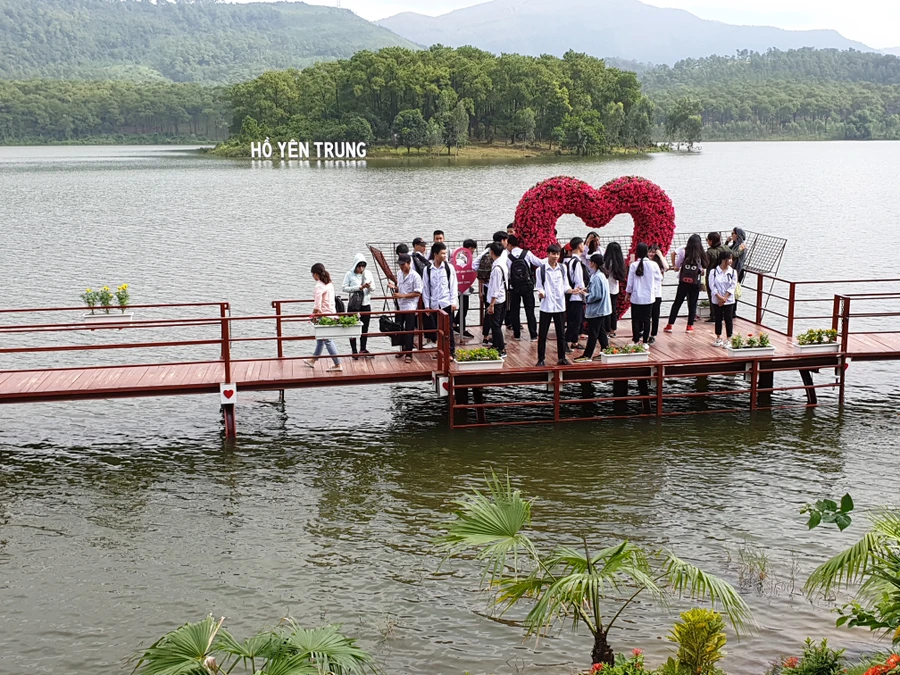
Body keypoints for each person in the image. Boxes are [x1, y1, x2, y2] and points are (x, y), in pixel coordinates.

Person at [535, 244, 574, 367]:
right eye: (553, 254)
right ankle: (541, 359)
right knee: (542, 334)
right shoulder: (540, 270)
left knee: (561, 334)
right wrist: (541, 293)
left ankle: (562, 358)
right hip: (546, 306)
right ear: (547, 254)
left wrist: (572, 291)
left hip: (560, 305)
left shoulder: (563, 268)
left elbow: (565, 285)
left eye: (557, 254)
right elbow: (539, 287)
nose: (555, 256)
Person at [664, 234, 708, 333]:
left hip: (683, 281)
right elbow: (704, 266)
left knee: (677, 303)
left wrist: (675, 266)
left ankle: (670, 325)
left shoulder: (684, 252)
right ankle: (689, 326)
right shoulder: (701, 253)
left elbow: (678, 264)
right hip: (695, 282)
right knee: (693, 303)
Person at [422, 242, 458, 359]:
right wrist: (426, 305)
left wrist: (454, 301)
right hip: (434, 304)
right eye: (442, 253)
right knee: (438, 329)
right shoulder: (427, 269)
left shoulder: (448, 268)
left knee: (449, 329)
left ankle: (451, 352)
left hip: (446, 302)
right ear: (435, 254)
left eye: (445, 253)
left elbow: (453, 285)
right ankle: (440, 351)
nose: (444, 256)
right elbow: (426, 288)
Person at [575, 254, 611, 362]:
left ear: (593, 263)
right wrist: (587, 290)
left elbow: (597, 295)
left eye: (590, 261)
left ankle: (587, 355)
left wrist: (585, 295)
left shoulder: (596, 277)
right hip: (602, 310)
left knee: (593, 333)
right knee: (601, 331)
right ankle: (605, 351)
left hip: (596, 310)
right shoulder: (600, 275)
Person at [387, 254, 423, 364]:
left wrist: (402, 295)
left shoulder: (415, 276)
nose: (402, 267)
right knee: (399, 328)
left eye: (403, 264)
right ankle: (402, 349)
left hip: (410, 306)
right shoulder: (399, 273)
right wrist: (395, 288)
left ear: (409, 263)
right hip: (400, 305)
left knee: (409, 330)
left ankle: (409, 353)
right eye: (400, 265)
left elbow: (417, 293)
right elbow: (401, 287)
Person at [505, 234, 542, 342]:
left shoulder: (508, 257)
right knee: (530, 311)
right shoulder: (527, 253)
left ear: (510, 245)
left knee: (514, 311)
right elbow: (539, 263)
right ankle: (533, 335)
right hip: (527, 286)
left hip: (514, 287)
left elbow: (507, 274)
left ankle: (517, 334)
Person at [308, 263, 342, 372]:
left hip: (324, 315)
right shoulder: (329, 284)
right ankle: (313, 360)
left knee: (327, 340)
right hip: (332, 313)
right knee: (320, 339)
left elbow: (317, 306)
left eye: (313, 274)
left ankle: (338, 364)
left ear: (316, 274)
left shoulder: (319, 286)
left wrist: (312, 316)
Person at [625, 242, 661, 345]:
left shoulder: (633, 265)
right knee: (647, 319)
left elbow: (630, 282)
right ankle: (645, 342)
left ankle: (636, 340)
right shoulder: (653, 265)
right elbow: (660, 278)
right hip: (649, 297)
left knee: (635, 320)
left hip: (636, 297)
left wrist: (628, 293)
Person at [342, 253, 375, 359]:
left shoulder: (368, 274)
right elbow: (344, 288)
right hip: (354, 305)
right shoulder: (349, 274)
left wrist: (368, 287)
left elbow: (373, 288)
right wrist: (358, 288)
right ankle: (354, 350)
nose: (361, 268)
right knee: (352, 327)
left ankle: (363, 348)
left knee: (365, 328)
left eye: (363, 266)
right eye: (359, 266)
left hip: (365, 303)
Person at [565, 237, 589, 351]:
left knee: (574, 320)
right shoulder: (577, 262)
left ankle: (574, 342)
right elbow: (579, 281)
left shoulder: (569, 261)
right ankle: (565, 342)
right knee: (576, 321)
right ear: (579, 246)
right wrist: (585, 292)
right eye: (583, 245)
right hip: (576, 295)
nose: (584, 247)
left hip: (571, 295)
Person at [710, 250, 737, 347]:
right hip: (717, 299)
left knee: (728, 319)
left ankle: (729, 338)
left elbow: (733, 286)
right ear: (722, 259)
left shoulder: (733, 272)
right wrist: (719, 298)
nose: (730, 261)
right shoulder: (713, 272)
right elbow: (712, 286)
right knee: (718, 318)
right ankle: (718, 337)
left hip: (728, 300)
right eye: (728, 259)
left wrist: (724, 298)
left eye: (731, 259)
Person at [486, 242, 508, 357]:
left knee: (495, 325)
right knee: (496, 324)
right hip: (502, 297)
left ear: (492, 252)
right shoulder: (503, 264)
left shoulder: (496, 269)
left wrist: (492, 304)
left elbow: (495, 287)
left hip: (497, 300)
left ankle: (501, 348)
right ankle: (495, 344)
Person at [454, 238, 479, 338]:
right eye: (473, 249)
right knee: (464, 306)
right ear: (469, 248)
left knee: (464, 307)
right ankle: (460, 327)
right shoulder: (461, 260)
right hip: (461, 287)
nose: (473, 252)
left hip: (465, 285)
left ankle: (457, 324)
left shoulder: (466, 259)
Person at [603, 242, 627, 338]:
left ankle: (607, 330)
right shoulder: (620, 262)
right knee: (613, 310)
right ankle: (613, 330)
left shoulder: (607, 263)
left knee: (607, 310)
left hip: (606, 288)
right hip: (615, 289)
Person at [704, 232, 729, 322]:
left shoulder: (710, 252)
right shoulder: (725, 248)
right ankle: (724, 313)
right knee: (724, 293)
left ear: (711, 241)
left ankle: (714, 315)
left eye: (708, 240)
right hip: (724, 273)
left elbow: (705, 265)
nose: (707, 241)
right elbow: (732, 256)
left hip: (712, 274)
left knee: (713, 294)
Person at [648, 244, 669, 344]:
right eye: (650, 251)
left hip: (657, 293)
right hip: (647, 293)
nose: (651, 254)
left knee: (655, 315)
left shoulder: (659, 264)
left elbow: (666, 267)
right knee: (646, 315)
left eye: (653, 252)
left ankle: (653, 334)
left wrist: (660, 255)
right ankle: (644, 332)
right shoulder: (645, 263)